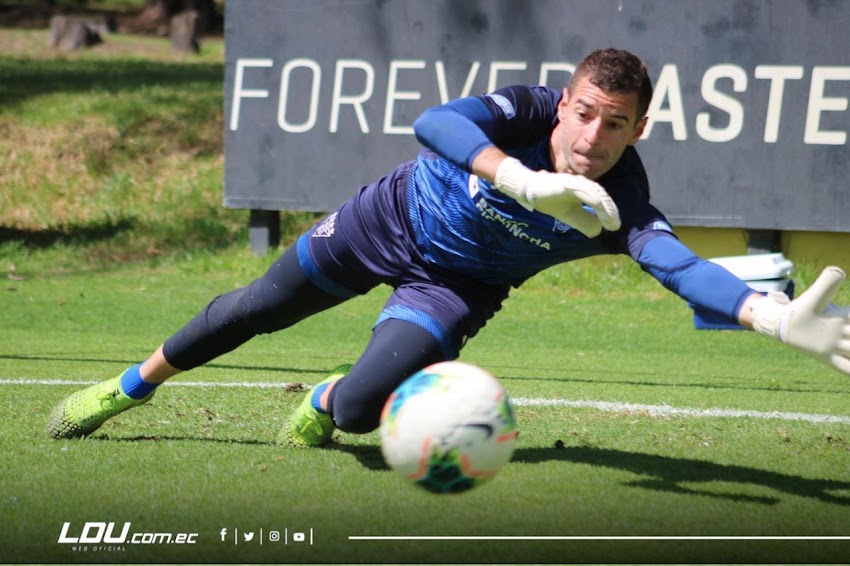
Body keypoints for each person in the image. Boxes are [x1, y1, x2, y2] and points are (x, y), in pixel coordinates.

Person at [47, 48, 850, 444]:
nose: (593, 135)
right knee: (258, 307)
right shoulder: (523, 111)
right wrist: (523, 181)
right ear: (564, 103)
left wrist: (767, 316)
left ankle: (326, 397)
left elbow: (679, 267)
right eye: (584, 113)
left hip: (455, 287)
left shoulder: (622, 202)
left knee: (362, 413)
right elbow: (434, 124)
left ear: (640, 128)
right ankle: (129, 387)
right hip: (380, 224)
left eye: (616, 123)